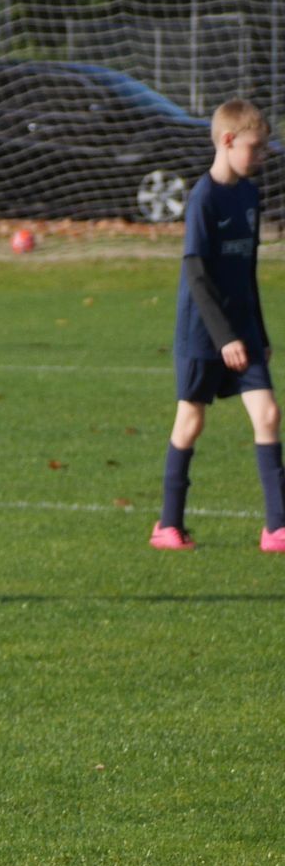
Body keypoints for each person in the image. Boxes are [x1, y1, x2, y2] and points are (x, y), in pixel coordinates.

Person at [153, 98, 284, 551]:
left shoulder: (248, 194)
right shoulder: (204, 199)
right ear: (227, 141)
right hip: (203, 332)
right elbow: (197, 273)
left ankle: (277, 528)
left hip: (242, 328)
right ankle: (168, 526)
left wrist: (258, 333)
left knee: (268, 415)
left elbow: (246, 271)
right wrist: (223, 336)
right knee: (190, 422)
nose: (262, 157)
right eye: (256, 148)